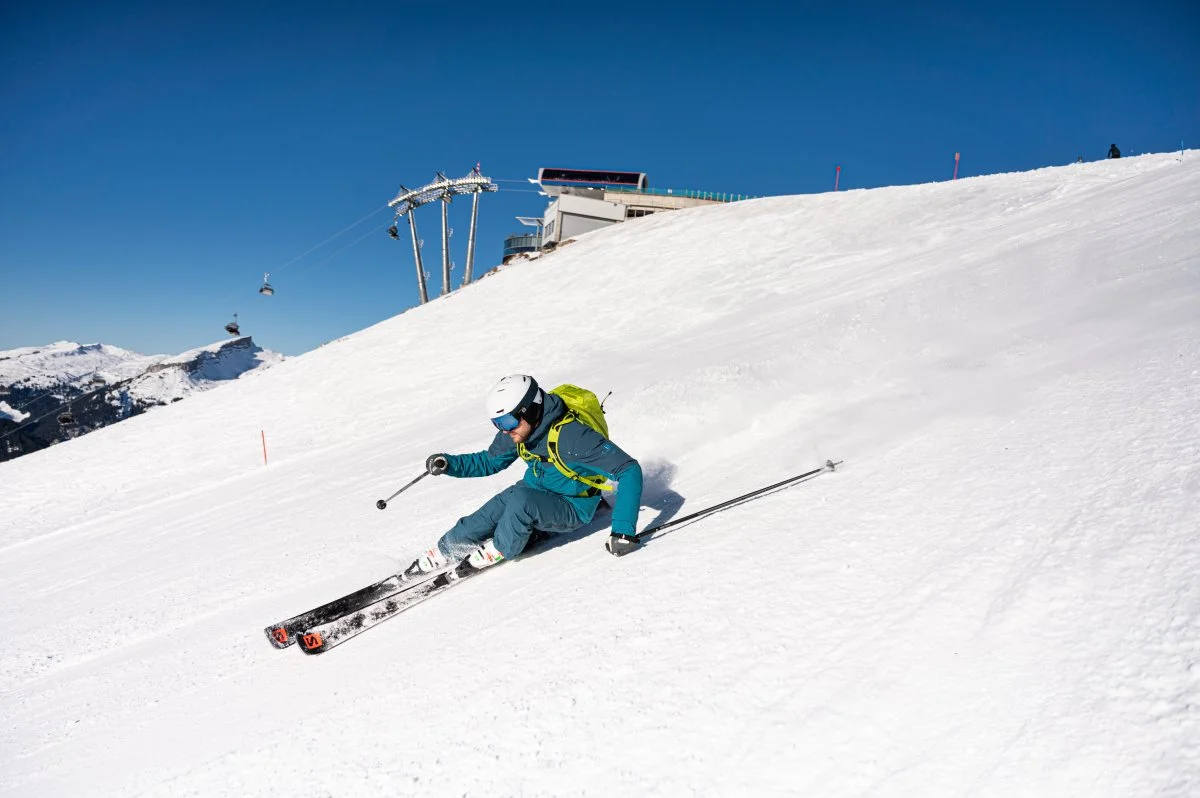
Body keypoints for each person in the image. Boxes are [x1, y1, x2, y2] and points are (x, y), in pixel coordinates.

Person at [415, 374, 644, 573]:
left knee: (521, 502)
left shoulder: (574, 437)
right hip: (533, 493)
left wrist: (623, 532)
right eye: (497, 423)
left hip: (572, 506)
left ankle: (500, 547)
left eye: (507, 421)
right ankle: (446, 549)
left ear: (531, 410)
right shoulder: (518, 430)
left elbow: (628, 470)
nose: (504, 429)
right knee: (487, 515)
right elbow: (489, 461)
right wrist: (449, 464)